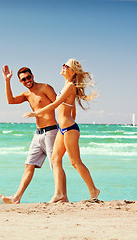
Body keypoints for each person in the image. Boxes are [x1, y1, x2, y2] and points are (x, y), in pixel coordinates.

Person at [23, 59, 100, 203]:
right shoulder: (65, 86)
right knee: (55, 159)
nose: (63, 67)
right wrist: (65, 123)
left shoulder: (70, 86)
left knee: (75, 162)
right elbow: (71, 109)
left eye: (66, 66)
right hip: (63, 129)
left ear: (72, 71)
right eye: (63, 65)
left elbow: (55, 104)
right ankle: (60, 194)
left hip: (70, 129)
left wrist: (35, 113)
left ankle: (93, 190)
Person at [0, 65, 58, 204]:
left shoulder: (45, 87)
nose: (27, 81)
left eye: (28, 77)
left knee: (56, 165)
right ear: (20, 81)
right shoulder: (27, 95)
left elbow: (58, 104)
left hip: (51, 132)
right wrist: (7, 81)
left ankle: (60, 195)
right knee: (29, 165)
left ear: (33, 75)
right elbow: (10, 101)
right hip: (38, 134)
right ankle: (16, 197)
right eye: (23, 80)